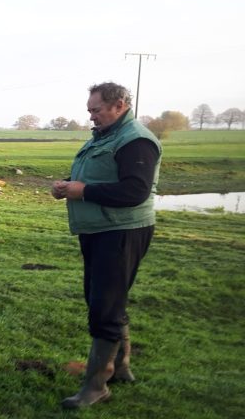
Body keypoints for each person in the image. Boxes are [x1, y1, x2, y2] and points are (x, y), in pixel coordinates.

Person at [52, 82, 162, 409]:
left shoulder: (136, 140)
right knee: (104, 298)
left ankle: (96, 385)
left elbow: (134, 192)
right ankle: (121, 368)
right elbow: (102, 174)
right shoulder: (108, 136)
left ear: (119, 105)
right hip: (100, 230)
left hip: (122, 233)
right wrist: (69, 184)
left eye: (96, 110)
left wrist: (82, 190)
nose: (91, 116)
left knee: (104, 305)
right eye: (90, 110)